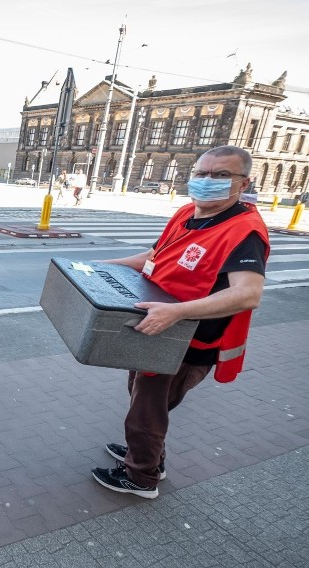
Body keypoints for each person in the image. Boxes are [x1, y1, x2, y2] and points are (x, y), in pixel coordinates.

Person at [92, 145, 270, 499]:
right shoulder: (188, 212)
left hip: (186, 341)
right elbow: (153, 258)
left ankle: (141, 477)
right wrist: (104, 265)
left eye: (221, 175)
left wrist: (177, 311)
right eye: (202, 173)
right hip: (156, 327)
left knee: (146, 414)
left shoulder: (243, 230)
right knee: (141, 399)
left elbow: (248, 293)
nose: (208, 181)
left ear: (243, 182)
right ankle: (146, 456)